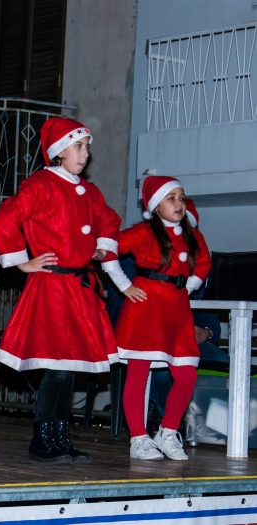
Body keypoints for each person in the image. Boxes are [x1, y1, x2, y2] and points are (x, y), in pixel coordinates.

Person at [0, 117, 121, 463]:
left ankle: (61, 435)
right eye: (79, 146)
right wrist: (22, 262)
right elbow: (5, 221)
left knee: (72, 367)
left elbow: (108, 219)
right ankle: (42, 435)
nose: (85, 154)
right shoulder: (40, 184)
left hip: (79, 288)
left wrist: (101, 248)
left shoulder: (90, 191)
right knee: (57, 367)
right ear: (59, 151)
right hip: (52, 287)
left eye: (87, 147)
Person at [102, 176, 211, 461]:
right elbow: (109, 248)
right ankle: (138, 438)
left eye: (181, 198)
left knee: (187, 374)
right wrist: (124, 286)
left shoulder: (191, 234)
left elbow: (203, 260)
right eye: (170, 198)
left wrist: (189, 285)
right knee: (138, 374)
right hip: (146, 307)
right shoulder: (143, 231)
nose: (178, 203)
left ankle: (167, 431)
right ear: (154, 205)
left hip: (177, 310)